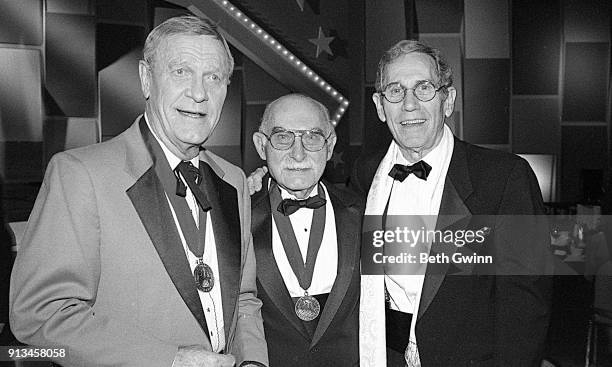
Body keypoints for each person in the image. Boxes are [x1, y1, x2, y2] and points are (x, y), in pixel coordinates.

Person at [10, 15, 267, 367]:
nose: (198, 92)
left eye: (214, 77)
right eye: (181, 72)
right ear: (147, 79)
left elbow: (244, 299)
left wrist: (252, 361)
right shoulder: (80, 174)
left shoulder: (233, 180)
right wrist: (167, 360)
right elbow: (40, 312)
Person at [355, 40, 553, 366]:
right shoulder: (366, 174)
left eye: (424, 88)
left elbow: (525, 304)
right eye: (395, 91)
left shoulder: (505, 178)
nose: (409, 105)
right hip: (383, 355)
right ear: (379, 106)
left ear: (448, 101)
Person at [250, 94, 362, 366]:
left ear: (330, 145)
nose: (298, 153)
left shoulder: (363, 212)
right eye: (282, 137)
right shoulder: (238, 214)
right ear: (262, 146)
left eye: (312, 137)